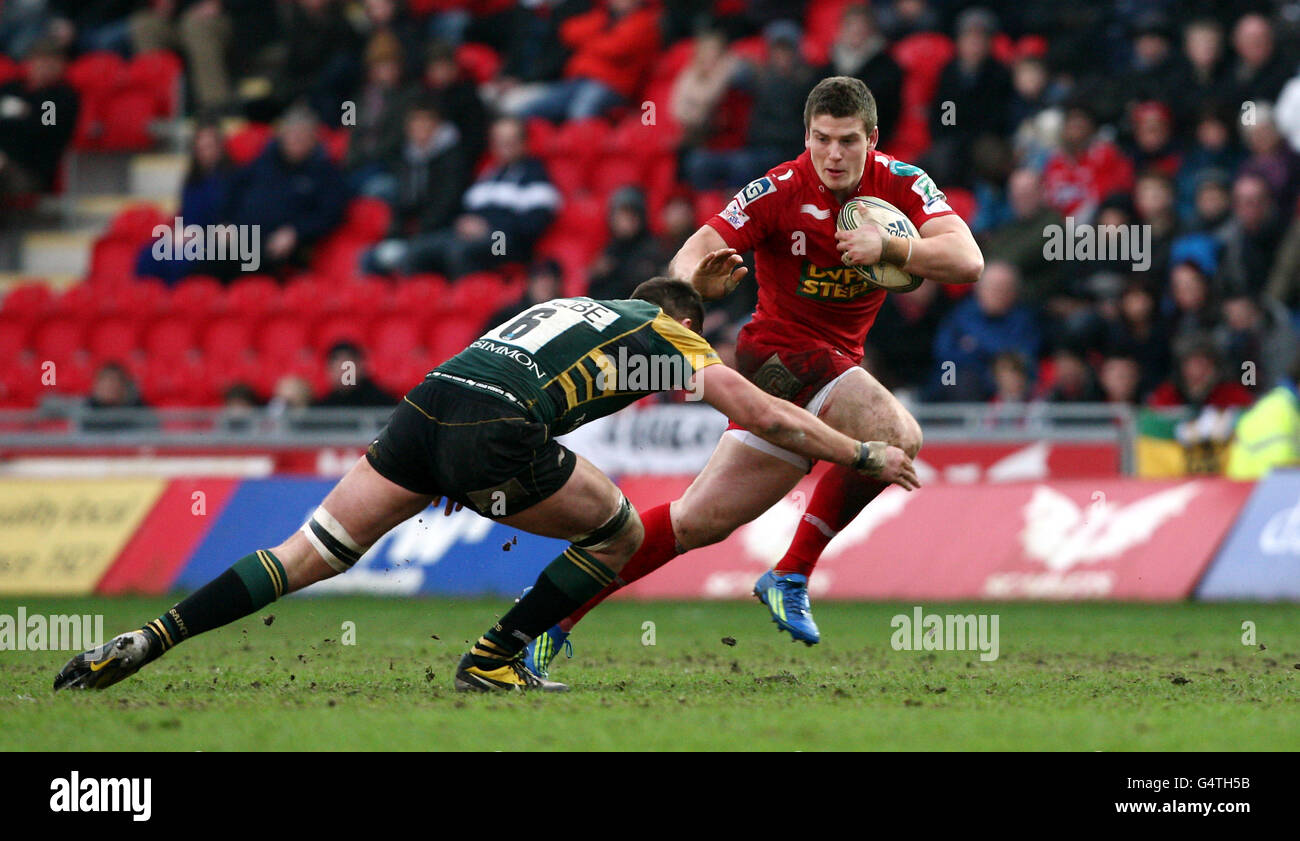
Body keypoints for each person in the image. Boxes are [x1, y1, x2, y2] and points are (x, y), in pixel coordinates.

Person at [53, 278, 919, 693]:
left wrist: (452, 467)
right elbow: (766, 415)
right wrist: (859, 453)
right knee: (617, 531)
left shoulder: (570, 304)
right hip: (498, 426)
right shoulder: (665, 332)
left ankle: (148, 639)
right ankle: (493, 659)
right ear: (683, 321)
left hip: (425, 405)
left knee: (306, 553)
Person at [521, 76, 980, 676]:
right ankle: (792, 571)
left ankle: (545, 621)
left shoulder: (901, 183)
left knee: (695, 521)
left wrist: (893, 249)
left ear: (872, 138)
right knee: (897, 435)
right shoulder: (778, 189)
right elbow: (695, 247)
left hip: (832, 366)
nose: (833, 155)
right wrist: (693, 284)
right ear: (806, 136)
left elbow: (968, 261)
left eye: (847, 141)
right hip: (776, 355)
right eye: (821, 140)